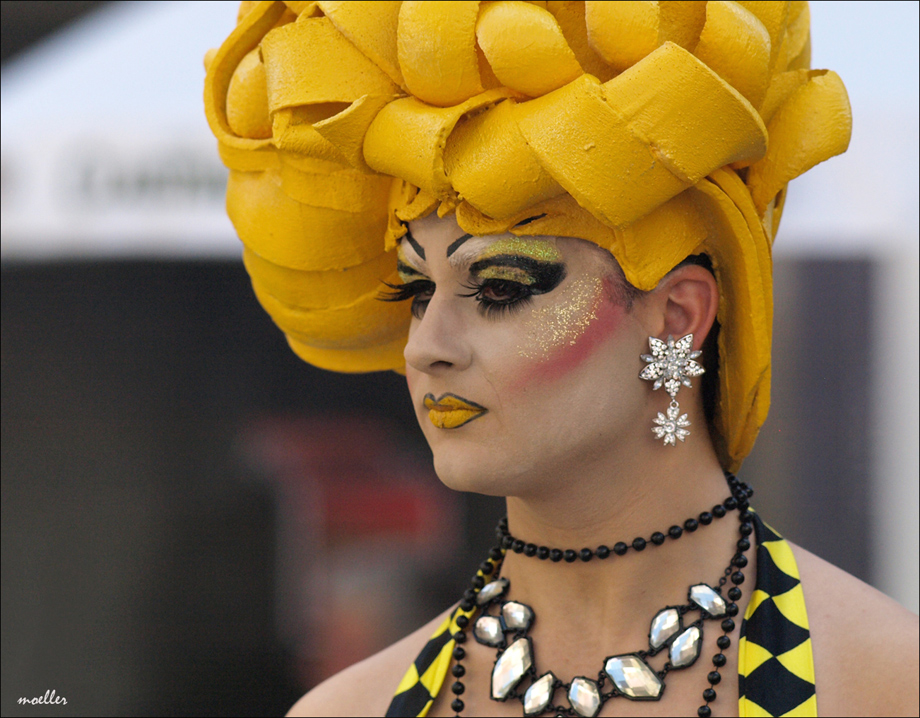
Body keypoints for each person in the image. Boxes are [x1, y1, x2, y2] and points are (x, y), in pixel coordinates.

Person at [204, 2, 919, 716]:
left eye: (501, 288)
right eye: (417, 289)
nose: (426, 347)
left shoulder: (886, 685)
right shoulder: (347, 711)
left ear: (677, 315)